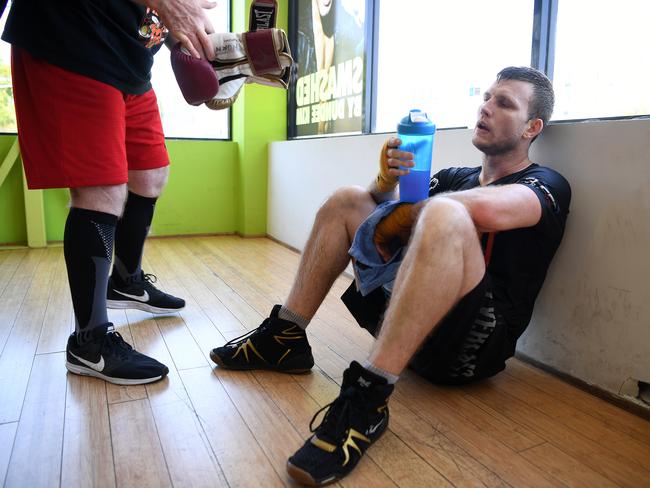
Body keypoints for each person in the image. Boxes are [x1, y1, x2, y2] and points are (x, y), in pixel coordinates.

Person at [210, 66, 571, 485]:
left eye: (504, 103)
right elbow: (380, 209)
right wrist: (383, 184)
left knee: (446, 211)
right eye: (487, 97)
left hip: (470, 349)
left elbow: (485, 211)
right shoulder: (456, 177)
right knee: (347, 200)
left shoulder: (546, 183)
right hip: (411, 329)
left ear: (533, 127)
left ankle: (369, 396)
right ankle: (285, 336)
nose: (486, 107)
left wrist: (406, 216)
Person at [2, 0, 217, 385]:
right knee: (101, 190)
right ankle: (89, 342)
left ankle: (126, 279)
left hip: (130, 62)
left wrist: (194, 48)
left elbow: (154, 22)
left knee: (151, 175)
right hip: (74, 39)